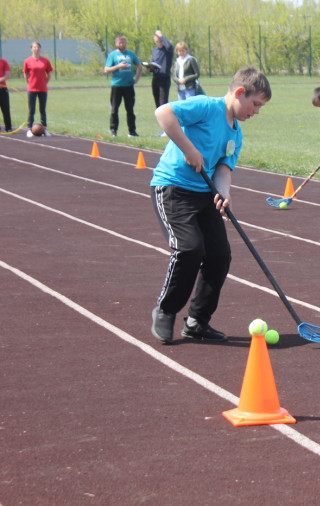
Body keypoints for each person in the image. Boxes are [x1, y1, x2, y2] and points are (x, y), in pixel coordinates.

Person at [149, 66, 272, 344]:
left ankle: (197, 321)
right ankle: (166, 310)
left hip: (205, 194)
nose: (256, 111)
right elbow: (163, 113)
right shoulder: (206, 107)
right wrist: (188, 149)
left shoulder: (235, 134)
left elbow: (223, 169)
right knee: (190, 248)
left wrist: (224, 192)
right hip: (173, 189)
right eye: (255, 104)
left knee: (219, 256)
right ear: (240, 93)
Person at [104, 35, 142, 137]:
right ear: (116, 44)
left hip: (129, 86)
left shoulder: (130, 54)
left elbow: (139, 66)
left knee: (130, 109)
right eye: (120, 42)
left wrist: (136, 79)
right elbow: (106, 69)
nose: (122, 44)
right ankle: (113, 130)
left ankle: (132, 131)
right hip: (117, 85)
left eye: (123, 42)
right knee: (114, 109)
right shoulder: (113, 55)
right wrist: (118, 66)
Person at [22, 41, 53, 137]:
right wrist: (30, 82)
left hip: (43, 88)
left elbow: (49, 73)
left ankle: (44, 129)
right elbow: (25, 74)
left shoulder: (45, 61)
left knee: (42, 109)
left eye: (38, 47)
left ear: (40, 49)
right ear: (31, 49)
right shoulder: (27, 61)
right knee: (31, 110)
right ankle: (29, 129)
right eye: (34, 47)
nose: (36, 49)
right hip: (32, 89)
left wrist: (44, 82)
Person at [148, 30, 173, 114]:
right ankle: (162, 124)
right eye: (157, 41)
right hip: (156, 78)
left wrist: (161, 36)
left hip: (164, 78)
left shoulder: (167, 50)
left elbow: (169, 47)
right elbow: (154, 63)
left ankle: (166, 125)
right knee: (157, 104)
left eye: (160, 41)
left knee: (163, 104)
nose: (159, 43)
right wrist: (150, 68)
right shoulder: (155, 50)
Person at [0, 56, 11, 133]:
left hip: (3, 89)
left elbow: (7, 74)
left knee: (5, 108)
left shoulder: (3, 61)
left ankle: (8, 127)